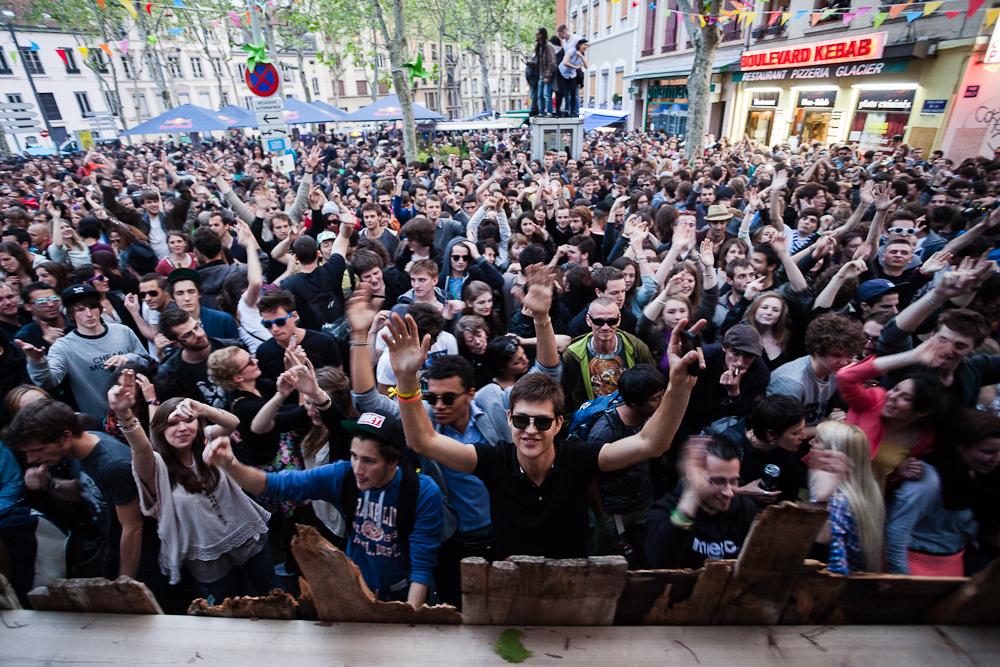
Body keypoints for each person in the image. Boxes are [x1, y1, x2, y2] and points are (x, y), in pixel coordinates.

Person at [385, 304, 703, 560]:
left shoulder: (577, 458)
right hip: (509, 583)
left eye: (542, 422)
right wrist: (406, 380)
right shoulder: (496, 461)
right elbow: (422, 440)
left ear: (558, 424)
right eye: (522, 421)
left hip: (570, 585)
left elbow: (652, 443)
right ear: (509, 420)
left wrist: (679, 386)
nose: (531, 431)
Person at [205, 407, 443, 608]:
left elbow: (421, 568)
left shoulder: (421, 492)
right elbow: (274, 485)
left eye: (369, 461)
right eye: (354, 456)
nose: (358, 468)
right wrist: (231, 464)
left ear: (394, 461)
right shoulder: (343, 475)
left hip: (406, 595)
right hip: (357, 589)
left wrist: (409, 619)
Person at [106, 372, 274, 601]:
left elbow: (232, 422)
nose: (183, 428)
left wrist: (201, 409)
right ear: (160, 431)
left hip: (244, 532)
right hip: (206, 552)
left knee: (273, 592)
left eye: (188, 420)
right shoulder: (156, 466)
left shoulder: (204, 440)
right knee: (231, 606)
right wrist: (124, 414)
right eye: (173, 424)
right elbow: (140, 448)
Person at [18, 284, 149, 419]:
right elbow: (49, 381)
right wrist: (37, 362)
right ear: (71, 314)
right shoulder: (63, 347)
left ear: (100, 308)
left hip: (140, 411)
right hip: (100, 419)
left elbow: (146, 361)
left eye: (92, 307)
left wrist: (129, 358)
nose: (89, 314)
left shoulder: (122, 331)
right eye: (80, 310)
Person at [644, 438, 759, 569]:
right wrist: (691, 498)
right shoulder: (665, 510)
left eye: (733, 481)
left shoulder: (746, 510)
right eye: (718, 481)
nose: (729, 493)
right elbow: (661, 565)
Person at [808, 420, 884, 575]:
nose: (810, 443)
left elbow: (834, 564)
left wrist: (821, 499)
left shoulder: (836, 500)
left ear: (831, 451)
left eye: (817, 441)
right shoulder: (866, 491)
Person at [561, 297, 655, 414]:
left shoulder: (636, 347)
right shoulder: (572, 355)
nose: (605, 327)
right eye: (599, 322)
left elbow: (653, 387)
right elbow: (565, 397)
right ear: (588, 320)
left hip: (632, 416)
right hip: (591, 420)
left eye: (611, 321)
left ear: (619, 319)